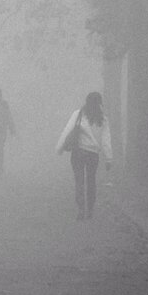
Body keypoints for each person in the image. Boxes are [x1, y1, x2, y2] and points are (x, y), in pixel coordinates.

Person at [56, 92, 112, 220]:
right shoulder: (103, 119)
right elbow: (106, 140)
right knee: (91, 181)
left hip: (78, 153)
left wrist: (59, 148)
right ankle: (90, 209)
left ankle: (81, 209)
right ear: (99, 103)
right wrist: (109, 158)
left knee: (79, 181)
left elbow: (67, 131)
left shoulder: (78, 114)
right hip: (93, 155)